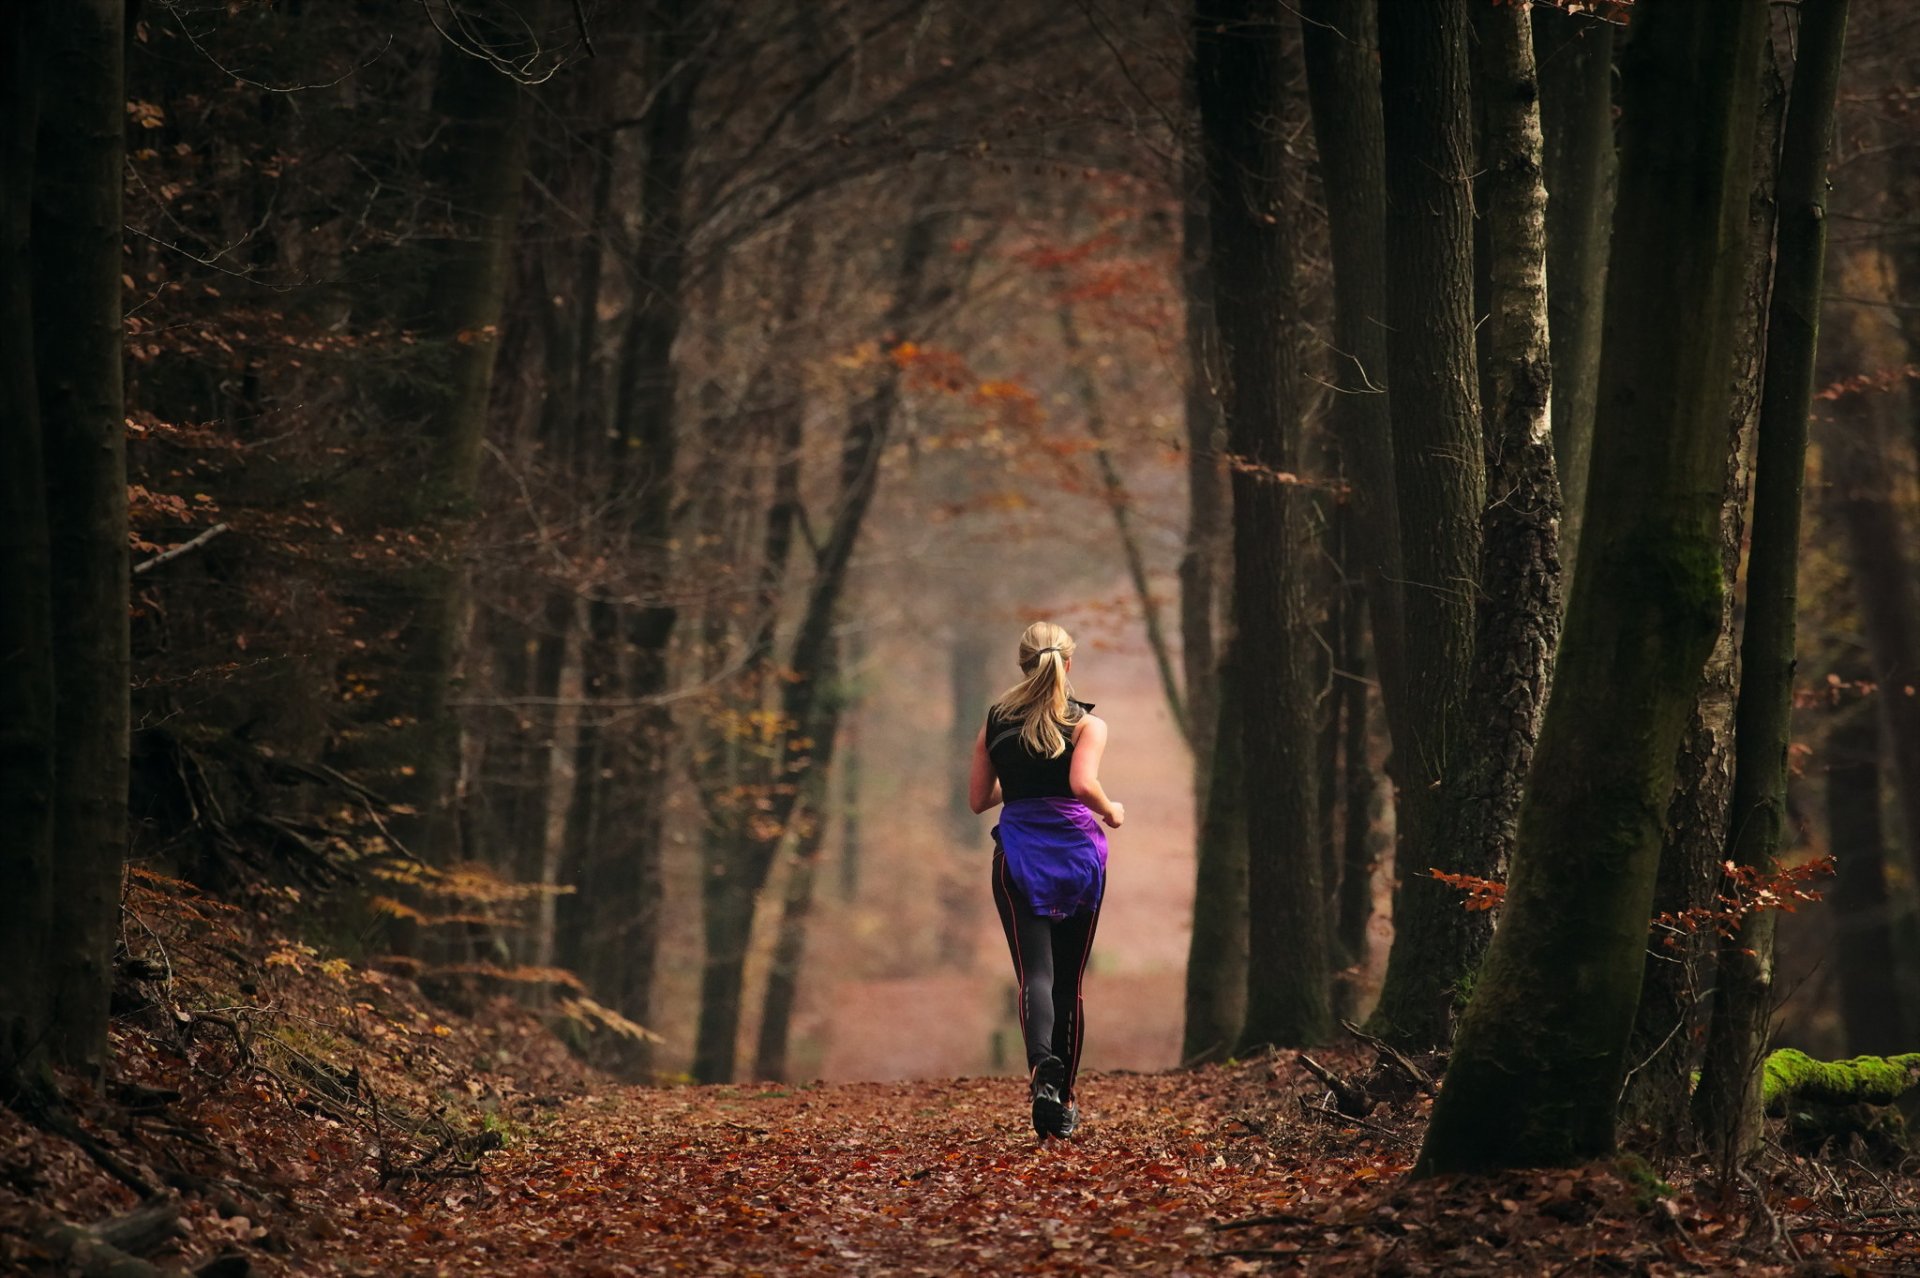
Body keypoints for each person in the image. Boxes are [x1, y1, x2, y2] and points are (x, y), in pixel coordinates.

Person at [968, 621, 1124, 1139]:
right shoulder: (1085, 724)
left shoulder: (995, 721)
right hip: (1078, 857)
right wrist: (1113, 810)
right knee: (1069, 982)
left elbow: (977, 799)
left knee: (1035, 972)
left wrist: (1015, 784)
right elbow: (1082, 784)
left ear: (1022, 664)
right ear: (1068, 664)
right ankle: (1065, 1100)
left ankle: (1042, 1074)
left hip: (1018, 855)